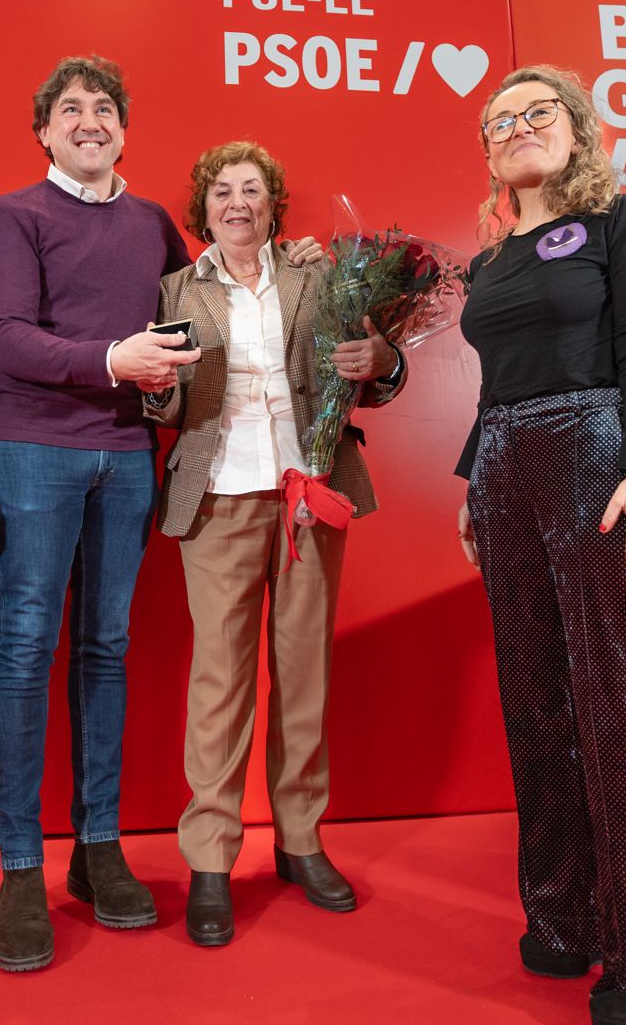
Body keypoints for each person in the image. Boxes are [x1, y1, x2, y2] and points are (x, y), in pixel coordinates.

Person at [0, 56, 322, 972]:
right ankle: (20, 866)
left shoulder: (152, 224)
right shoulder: (13, 215)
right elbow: (4, 340)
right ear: (44, 130)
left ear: (125, 131)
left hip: (131, 457)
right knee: (24, 647)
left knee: (105, 649)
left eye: (105, 110)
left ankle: (97, 847)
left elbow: (211, 294)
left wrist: (295, 261)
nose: (90, 122)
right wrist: (110, 361)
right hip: (40, 450)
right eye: (71, 110)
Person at [453, 65, 626, 1025]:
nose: (519, 127)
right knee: (534, 696)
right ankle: (563, 918)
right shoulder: (486, 261)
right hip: (508, 471)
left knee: (620, 699)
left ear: (577, 129)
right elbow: (495, 386)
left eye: (538, 112)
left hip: (599, 455)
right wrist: (475, 479)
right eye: (500, 120)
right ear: (488, 151)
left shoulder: (618, 221)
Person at [143, 141, 404, 948]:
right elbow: (167, 410)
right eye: (223, 190)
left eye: (253, 189)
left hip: (309, 496)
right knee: (219, 685)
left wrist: (382, 357)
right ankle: (212, 860)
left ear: (271, 204)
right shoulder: (175, 290)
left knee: (303, 677)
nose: (238, 202)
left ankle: (300, 842)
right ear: (204, 206)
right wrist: (158, 390)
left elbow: (382, 374)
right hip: (216, 500)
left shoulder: (316, 277)